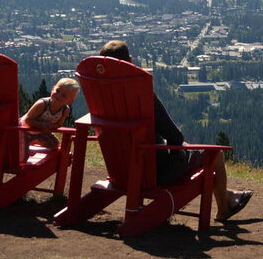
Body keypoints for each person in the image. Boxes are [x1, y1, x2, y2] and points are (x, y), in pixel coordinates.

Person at [99, 40, 252, 221]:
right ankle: (223, 209)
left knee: (188, 149)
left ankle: (227, 194)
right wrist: (176, 155)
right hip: (155, 172)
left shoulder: (101, 95)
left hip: (120, 170)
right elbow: (175, 137)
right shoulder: (142, 95)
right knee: (215, 155)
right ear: (130, 61)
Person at [21, 78, 79, 153]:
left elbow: (59, 124)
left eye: (64, 96)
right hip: (24, 130)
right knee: (22, 156)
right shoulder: (42, 104)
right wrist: (41, 125)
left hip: (41, 131)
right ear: (53, 89)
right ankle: (28, 142)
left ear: (70, 102)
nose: (58, 96)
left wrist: (49, 127)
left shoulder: (65, 110)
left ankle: (34, 140)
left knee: (54, 145)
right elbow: (28, 120)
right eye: (57, 91)